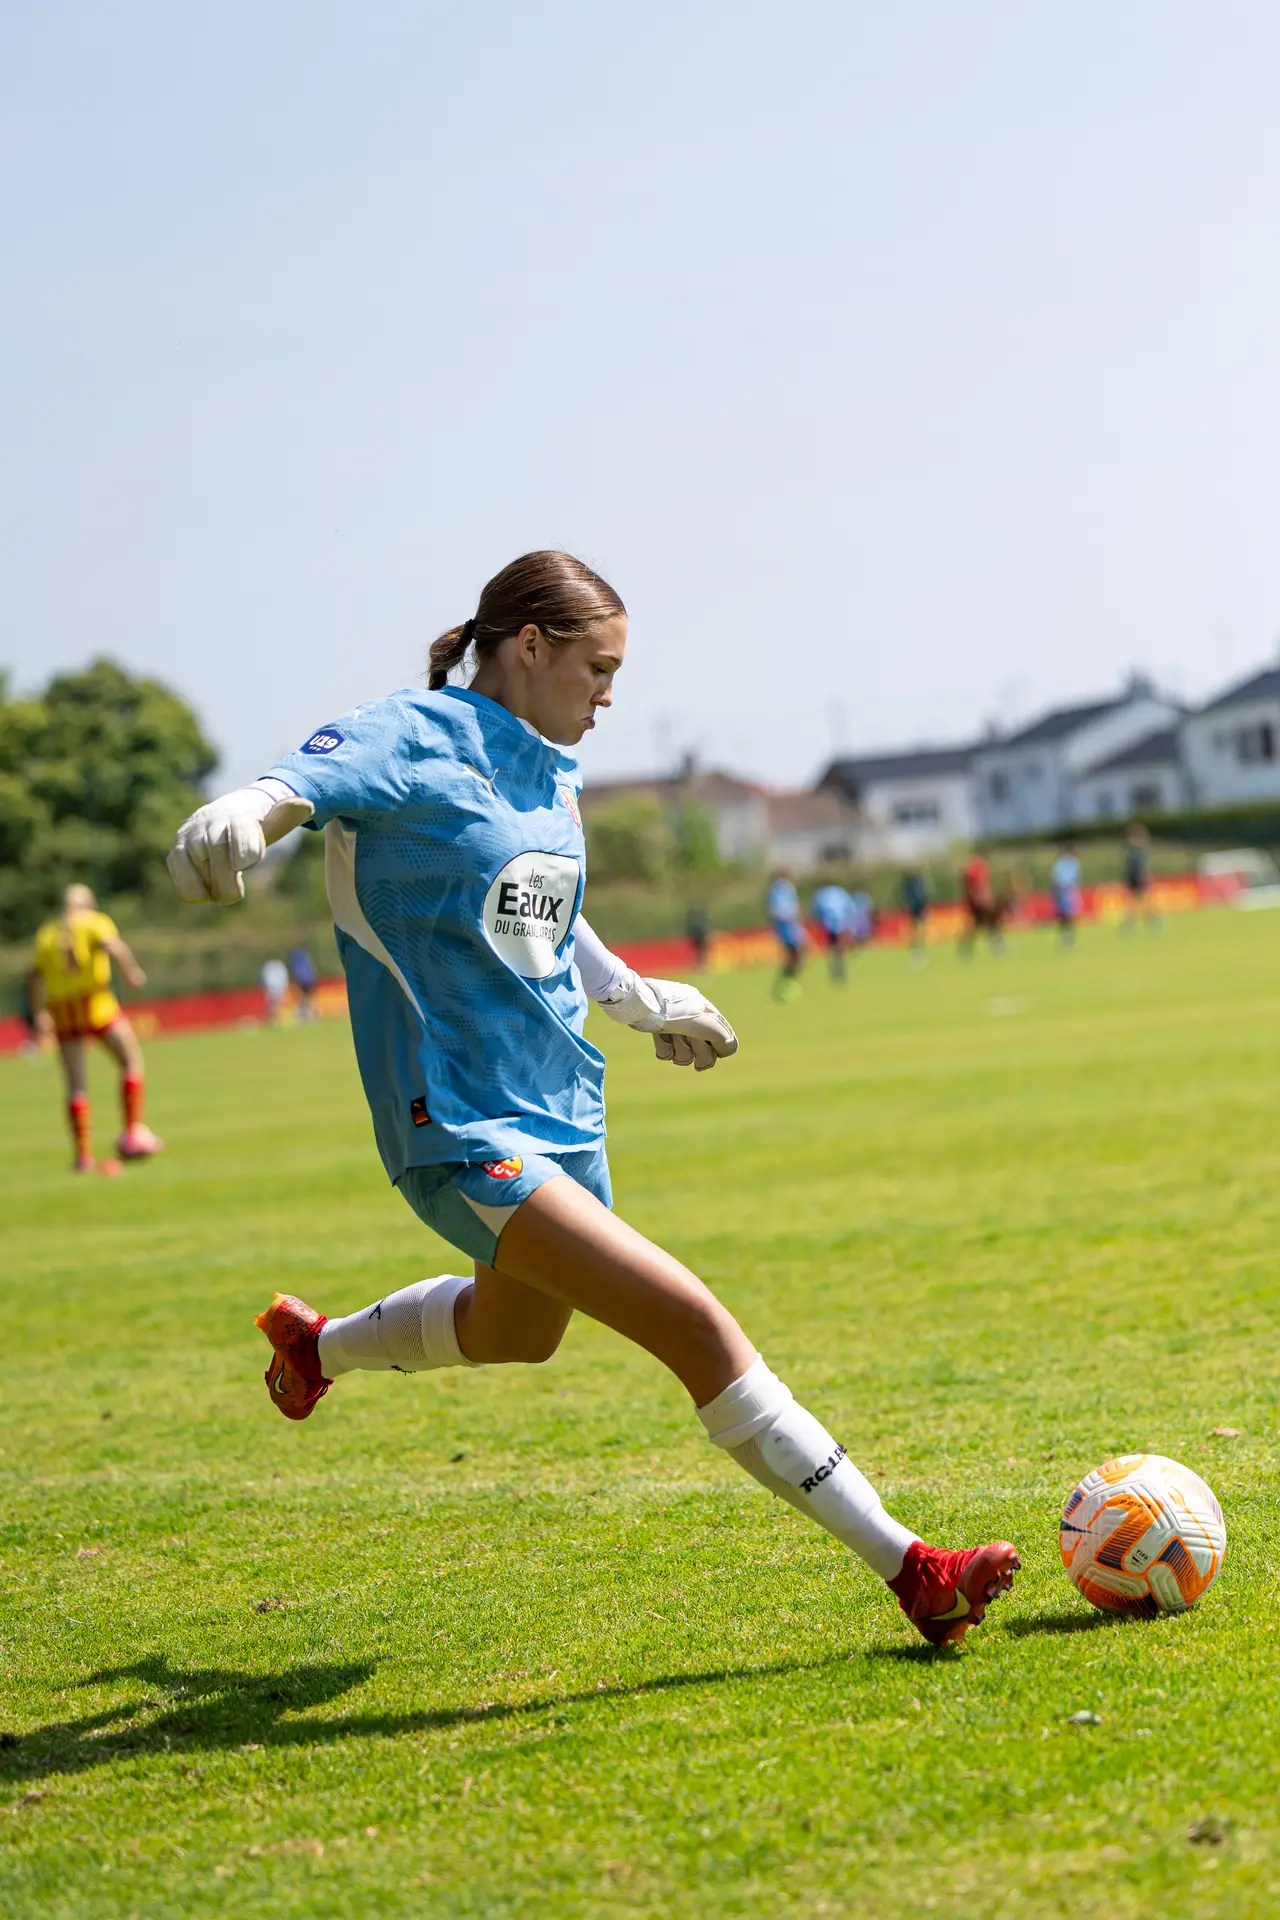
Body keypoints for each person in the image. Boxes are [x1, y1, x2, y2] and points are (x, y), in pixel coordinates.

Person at [168, 549, 1019, 1648]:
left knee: (519, 1333)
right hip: (458, 1124)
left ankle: (314, 1350)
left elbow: (547, 919)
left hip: (565, 1109)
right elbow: (296, 785)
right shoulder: (415, 734)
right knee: (695, 1325)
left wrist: (634, 998)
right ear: (528, 648)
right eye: (596, 670)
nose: (608, 698)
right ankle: (913, 1568)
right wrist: (242, 812)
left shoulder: (551, 768)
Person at [27, 884, 163, 1172]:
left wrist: (39, 1013)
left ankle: (83, 1156)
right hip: (96, 1004)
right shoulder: (94, 922)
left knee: (76, 1085)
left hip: (63, 1012)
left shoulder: (47, 934)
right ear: (89, 904)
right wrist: (131, 973)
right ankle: (131, 1133)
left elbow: (33, 977)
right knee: (131, 1061)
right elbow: (113, 946)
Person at [766, 869, 807, 1001]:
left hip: (791, 925)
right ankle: (785, 983)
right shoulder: (781, 887)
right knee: (795, 954)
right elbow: (778, 910)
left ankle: (786, 982)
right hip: (787, 925)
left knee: (798, 954)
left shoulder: (783, 888)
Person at [958, 851, 1003, 957]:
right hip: (979, 903)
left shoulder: (970, 870)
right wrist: (985, 900)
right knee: (986, 924)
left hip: (976, 902)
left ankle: (966, 949)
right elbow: (979, 887)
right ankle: (996, 945)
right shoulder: (977, 869)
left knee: (984, 925)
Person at [810, 882, 854, 982]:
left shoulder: (821, 894)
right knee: (840, 948)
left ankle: (834, 970)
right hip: (840, 923)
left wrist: (817, 920)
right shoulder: (840, 892)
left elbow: (816, 910)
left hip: (828, 924)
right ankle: (840, 970)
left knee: (833, 947)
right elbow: (849, 906)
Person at [1122, 823, 1160, 932]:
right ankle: (1130, 924)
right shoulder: (1134, 852)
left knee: (1147, 903)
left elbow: (1142, 867)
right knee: (1133, 904)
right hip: (1134, 880)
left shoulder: (1140, 851)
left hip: (1139, 880)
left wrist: (1145, 877)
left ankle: (1153, 922)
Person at [1050, 844, 1082, 949]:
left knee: (1070, 916)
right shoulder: (1063, 864)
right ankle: (1065, 938)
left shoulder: (1073, 863)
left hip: (1069, 891)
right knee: (1064, 916)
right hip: (1063, 891)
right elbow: (1058, 879)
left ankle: (1068, 938)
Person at [900, 868, 930, 960]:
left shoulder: (914, 886)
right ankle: (916, 944)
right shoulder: (918, 886)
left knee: (917, 927)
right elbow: (925, 897)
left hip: (916, 908)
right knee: (917, 927)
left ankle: (917, 944)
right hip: (916, 908)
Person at [287, 943, 319, 1019]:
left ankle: (307, 1013)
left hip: (303, 980)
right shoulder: (304, 956)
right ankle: (310, 1013)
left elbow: (296, 970)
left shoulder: (295, 957)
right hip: (309, 979)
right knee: (307, 998)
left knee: (304, 997)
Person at [261, 956, 290, 1025]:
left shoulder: (278, 966)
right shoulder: (270, 967)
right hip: (272, 987)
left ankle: (277, 1019)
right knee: (272, 1004)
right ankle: (272, 1019)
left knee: (277, 1004)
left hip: (276, 987)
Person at [685, 905, 711, 971]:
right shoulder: (703, 920)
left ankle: (701, 965)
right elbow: (706, 930)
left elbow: (691, 931)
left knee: (700, 952)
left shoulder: (693, 922)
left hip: (697, 938)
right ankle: (703, 966)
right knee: (702, 952)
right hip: (700, 937)